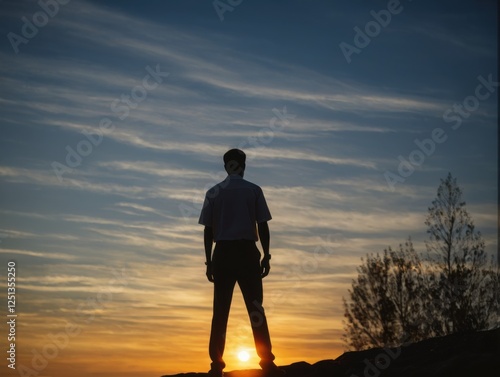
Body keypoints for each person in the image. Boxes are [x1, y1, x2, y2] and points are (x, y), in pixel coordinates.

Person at [199, 149, 284, 377]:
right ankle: (266, 361)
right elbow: (263, 224)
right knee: (256, 309)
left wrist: (209, 261)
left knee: (220, 311)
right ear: (243, 165)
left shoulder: (213, 192)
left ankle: (217, 365)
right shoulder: (253, 190)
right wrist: (266, 254)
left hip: (223, 253)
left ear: (226, 166)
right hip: (247, 252)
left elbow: (208, 230)